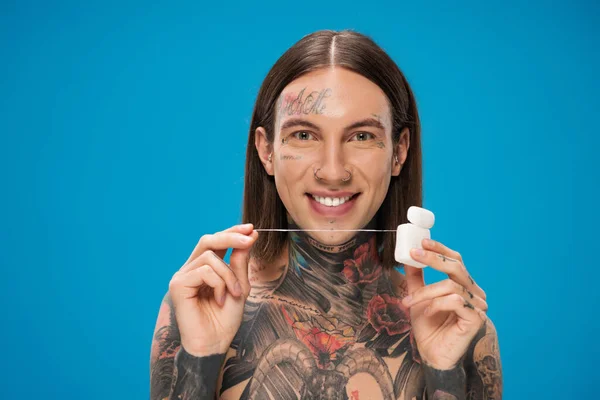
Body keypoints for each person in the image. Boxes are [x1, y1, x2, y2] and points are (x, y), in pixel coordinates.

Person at [149, 30, 503, 400]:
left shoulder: (458, 327)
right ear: (266, 151)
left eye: (361, 137)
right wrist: (200, 359)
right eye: (304, 135)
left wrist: (445, 374)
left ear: (399, 152)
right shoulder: (196, 311)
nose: (333, 172)